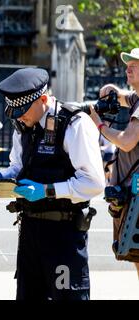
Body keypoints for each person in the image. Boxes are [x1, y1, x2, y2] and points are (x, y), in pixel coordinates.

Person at [0, 67, 105, 300]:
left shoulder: (74, 124)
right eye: (14, 111)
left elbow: (94, 182)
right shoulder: (24, 127)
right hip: (30, 231)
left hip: (64, 233)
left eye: (22, 110)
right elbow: (18, 167)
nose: (18, 117)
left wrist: (48, 191)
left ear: (44, 99)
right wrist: (0, 179)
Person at [87, 47, 139, 276]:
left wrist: (100, 125)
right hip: (132, 193)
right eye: (128, 65)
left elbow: (127, 142)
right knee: (136, 254)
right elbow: (125, 97)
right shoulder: (137, 97)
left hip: (136, 195)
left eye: (135, 66)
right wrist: (115, 91)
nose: (128, 69)